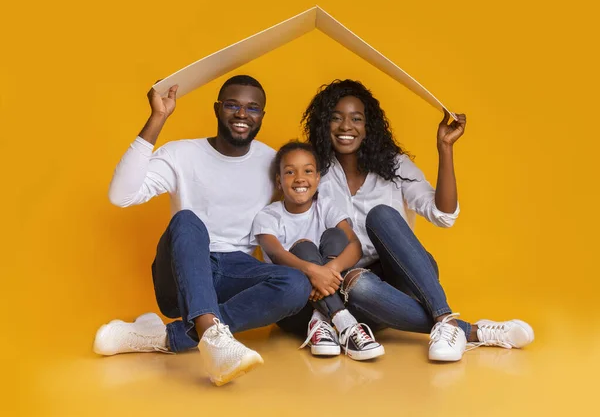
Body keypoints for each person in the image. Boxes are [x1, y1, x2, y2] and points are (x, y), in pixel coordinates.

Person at [278, 79, 534, 362]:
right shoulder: (314, 173)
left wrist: (445, 149)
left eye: (356, 119)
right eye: (335, 118)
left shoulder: (394, 165)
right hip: (347, 286)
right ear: (323, 124)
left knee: (382, 215)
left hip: (406, 273)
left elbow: (443, 215)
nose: (345, 127)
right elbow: (293, 225)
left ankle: (444, 316)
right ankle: (472, 331)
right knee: (357, 283)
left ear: (368, 125)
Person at [93, 75, 311, 385]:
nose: (242, 115)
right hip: (182, 273)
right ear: (217, 108)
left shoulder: (272, 161)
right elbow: (121, 195)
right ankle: (212, 335)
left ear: (262, 116)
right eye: (233, 105)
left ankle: (165, 336)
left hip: (236, 273)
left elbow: (299, 207)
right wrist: (158, 117)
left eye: (252, 108)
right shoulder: (182, 154)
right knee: (187, 219)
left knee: (295, 284)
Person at [251, 141, 384, 361]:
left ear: (318, 178)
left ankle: (324, 322)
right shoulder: (268, 217)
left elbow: (354, 246)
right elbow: (277, 255)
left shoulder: (326, 206)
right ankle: (346, 325)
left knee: (336, 236)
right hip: (294, 307)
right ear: (279, 181)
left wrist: (328, 270)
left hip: (333, 290)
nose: (300, 178)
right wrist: (313, 272)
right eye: (290, 172)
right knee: (303, 247)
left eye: (308, 171)